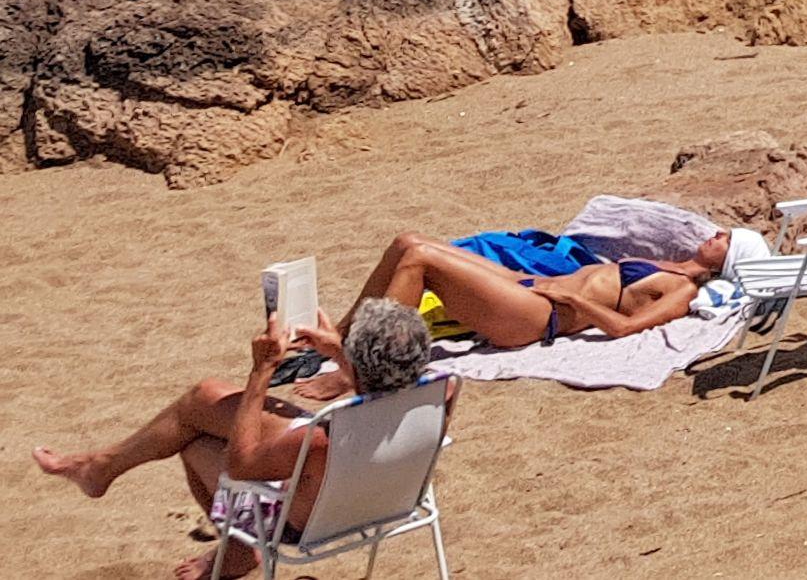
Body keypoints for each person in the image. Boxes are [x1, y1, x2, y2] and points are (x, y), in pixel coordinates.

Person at [33, 298, 438, 580]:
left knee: (192, 441)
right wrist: (338, 352)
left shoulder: (321, 440)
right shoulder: (440, 394)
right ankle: (99, 467)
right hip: (387, 497)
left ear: (359, 360)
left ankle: (239, 551)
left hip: (309, 520)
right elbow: (378, 384)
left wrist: (262, 371)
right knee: (205, 398)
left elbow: (241, 466)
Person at [351, 222, 736, 351]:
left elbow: (624, 328)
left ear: (729, 261)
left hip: (542, 315)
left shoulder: (684, 291)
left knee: (421, 259)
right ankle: (341, 336)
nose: (716, 234)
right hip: (530, 287)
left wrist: (571, 299)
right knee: (408, 242)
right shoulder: (669, 263)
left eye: (726, 239)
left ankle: (365, 362)